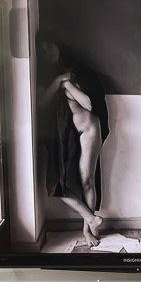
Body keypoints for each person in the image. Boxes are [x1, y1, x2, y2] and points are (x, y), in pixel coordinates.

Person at [39, 42, 110, 247]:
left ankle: (89, 231)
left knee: (87, 181)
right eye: (43, 51)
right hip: (67, 134)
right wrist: (59, 80)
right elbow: (42, 102)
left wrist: (67, 84)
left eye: (50, 47)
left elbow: (88, 104)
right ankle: (91, 217)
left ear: (59, 47)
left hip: (89, 129)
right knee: (58, 186)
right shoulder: (47, 77)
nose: (48, 52)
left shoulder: (75, 72)